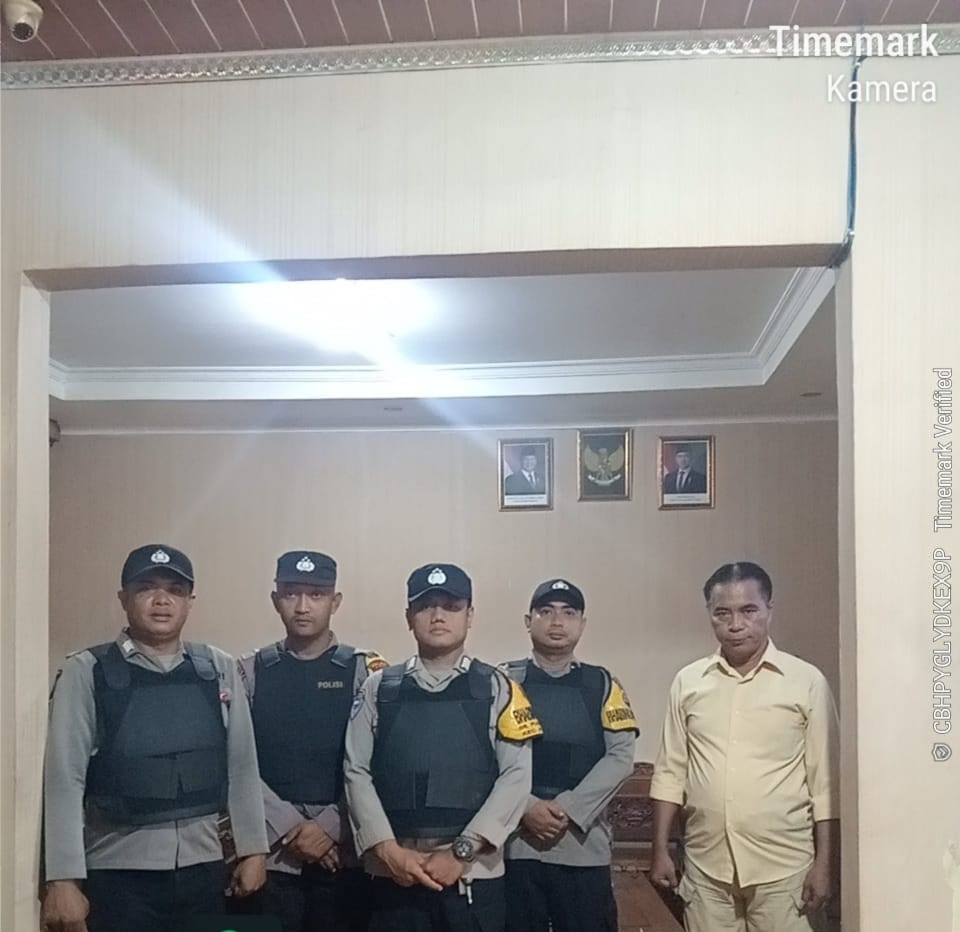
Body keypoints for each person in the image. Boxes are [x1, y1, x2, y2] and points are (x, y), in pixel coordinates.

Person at [41, 544, 268, 932]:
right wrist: (63, 879)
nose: (162, 600)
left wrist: (253, 851)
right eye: (147, 587)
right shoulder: (87, 671)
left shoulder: (217, 667)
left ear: (190, 602)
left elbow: (242, 766)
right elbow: (65, 778)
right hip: (118, 873)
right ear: (123, 598)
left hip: (204, 868)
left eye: (175, 590)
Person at [344, 563, 543, 932]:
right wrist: (387, 850)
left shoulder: (498, 687)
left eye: (451, 606)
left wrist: (461, 850)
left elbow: (516, 776)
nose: (438, 616)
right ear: (409, 617)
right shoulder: (378, 687)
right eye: (426, 606)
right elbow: (355, 770)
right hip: (392, 874)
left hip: (473, 876)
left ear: (470, 615)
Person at [649, 561, 839, 932]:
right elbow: (671, 771)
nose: (736, 625)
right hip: (707, 869)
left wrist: (825, 864)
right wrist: (659, 850)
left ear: (769, 609)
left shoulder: (805, 682)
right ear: (709, 614)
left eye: (748, 610)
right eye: (723, 613)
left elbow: (826, 784)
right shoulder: (689, 682)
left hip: (785, 870)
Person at [232, 550, 387, 932]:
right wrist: (290, 827)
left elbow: (380, 762)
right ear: (275, 600)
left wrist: (331, 827)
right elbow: (235, 761)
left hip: (344, 854)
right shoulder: (247, 672)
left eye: (316, 594)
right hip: (271, 856)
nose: (303, 606)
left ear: (335, 601)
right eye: (291, 594)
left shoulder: (366, 672)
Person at [502, 578, 638, 932]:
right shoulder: (502, 682)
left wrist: (568, 808)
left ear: (582, 623)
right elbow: (486, 757)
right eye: (546, 612)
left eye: (568, 613)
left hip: (582, 845)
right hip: (515, 845)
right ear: (528, 621)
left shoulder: (602, 683)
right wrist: (527, 807)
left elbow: (621, 756)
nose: (557, 622)